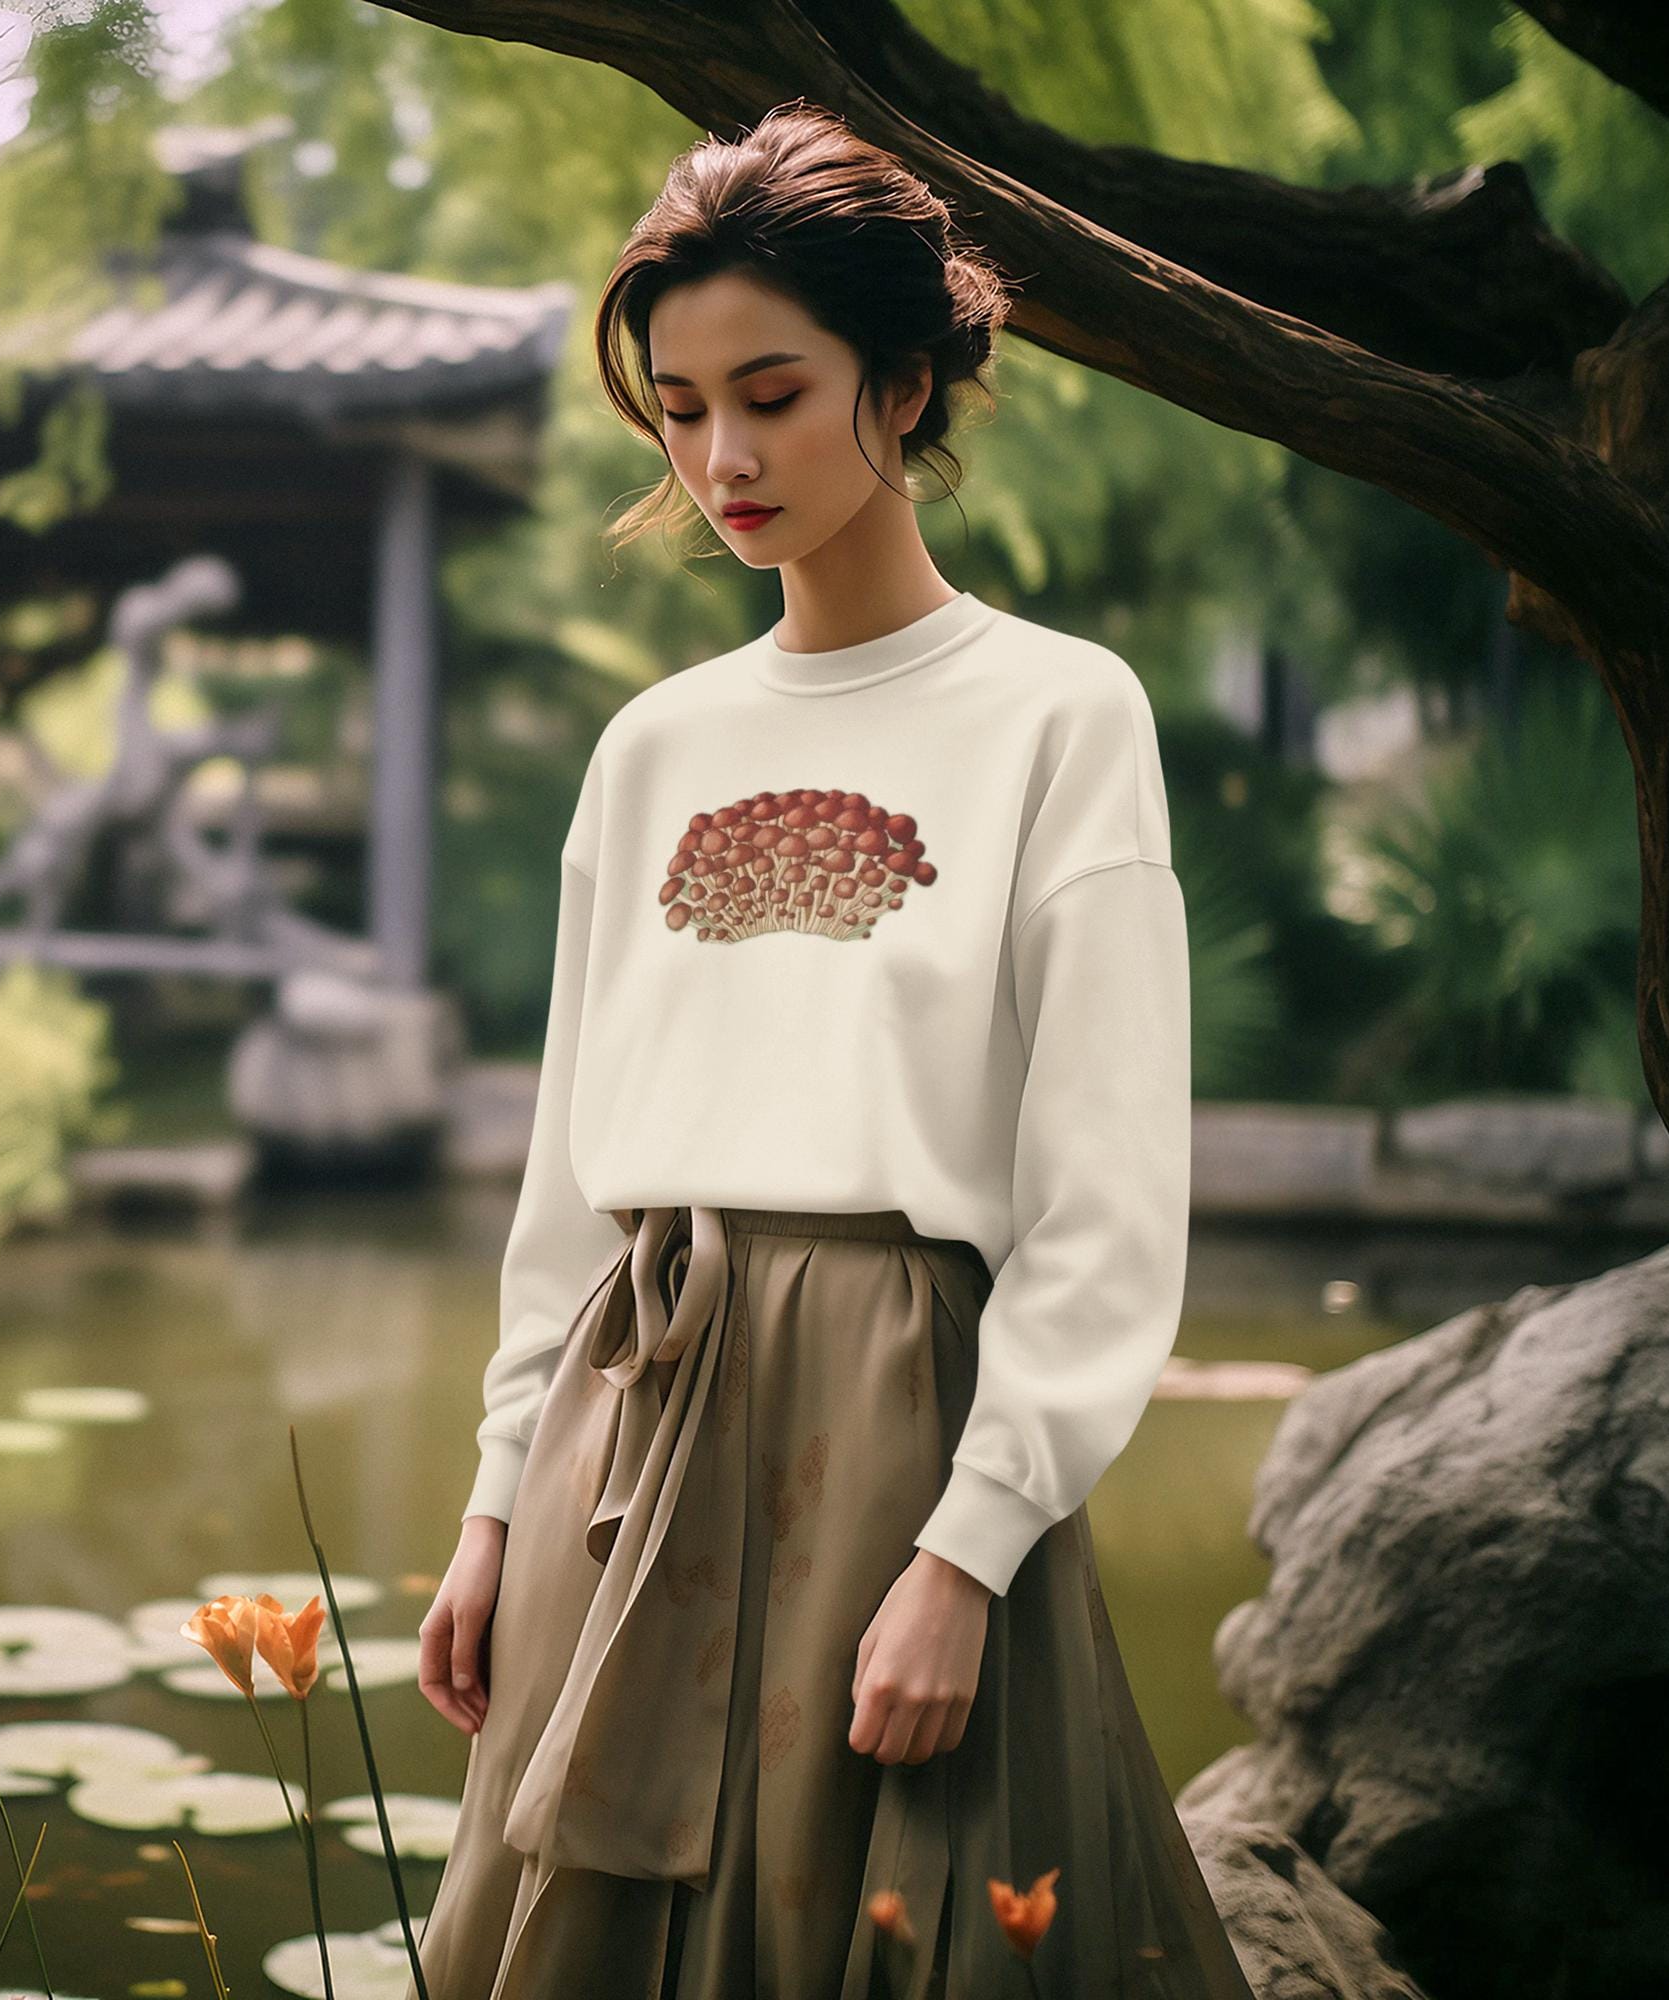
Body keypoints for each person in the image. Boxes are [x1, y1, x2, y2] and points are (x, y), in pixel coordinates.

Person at [410, 102, 1259, 2000]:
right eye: (684, 403)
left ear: (903, 382)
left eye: (774, 393)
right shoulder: (653, 752)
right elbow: (573, 1174)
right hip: (619, 1438)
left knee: (875, 1939)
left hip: (902, 1432)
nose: (723, 456)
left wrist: (974, 1549)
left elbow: (1107, 1203)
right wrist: (491, 1505)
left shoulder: (1059, 718)